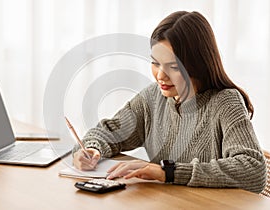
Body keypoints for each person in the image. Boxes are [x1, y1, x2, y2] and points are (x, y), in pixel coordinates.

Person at [72, 11, 267, 193]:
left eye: (173, 66)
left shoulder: (225, 102)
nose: (161, 76)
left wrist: (168, 172)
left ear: (198, 64)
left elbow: (253, 170)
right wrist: (92, 149)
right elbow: (108, 132)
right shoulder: (153, 97)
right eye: (155, 63)